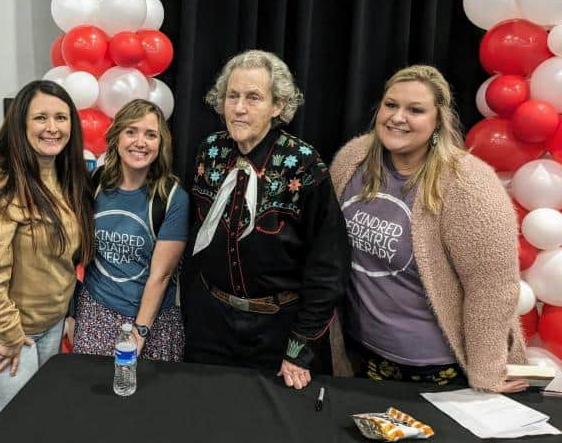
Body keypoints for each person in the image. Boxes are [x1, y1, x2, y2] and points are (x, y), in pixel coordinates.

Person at [329, 64, 528, 392]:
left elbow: (492, 288)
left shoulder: (468, 183)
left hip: (436, 368)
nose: (397, 117)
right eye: (391, 105)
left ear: (438, 121)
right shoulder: (352, 159)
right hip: (362, 354)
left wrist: (486, 371)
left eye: (415, 110)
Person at [183, 49, 349, 389]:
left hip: (277, 330)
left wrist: (299, 349)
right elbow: (195, 233)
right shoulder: (209, 152)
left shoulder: (303, 164)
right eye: (233, 96)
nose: (239, 107)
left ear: (278, 106)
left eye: (254, 97)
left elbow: (328, 264)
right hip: (210, 324)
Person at [0, 79, 94, 422]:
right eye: (41, 118)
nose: (52, 128)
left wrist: (64, 315)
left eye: (61, 118)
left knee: (39, 418)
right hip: (3, 328)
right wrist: (9, 332)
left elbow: (63, 262)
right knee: (15, 428)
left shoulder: (65, 177)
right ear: (20, 125)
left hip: (47, 323)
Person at [72, 99, 189, 360]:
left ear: (161, 144)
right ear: (116, 137)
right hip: (96, 311)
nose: (140, 142)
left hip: (152, 320)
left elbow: (161, 275)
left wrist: (139, 333)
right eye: (131, 131)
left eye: (150, 135)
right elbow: (75, 254)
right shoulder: (95, 182)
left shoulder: (172, 197)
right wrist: (71, 313)